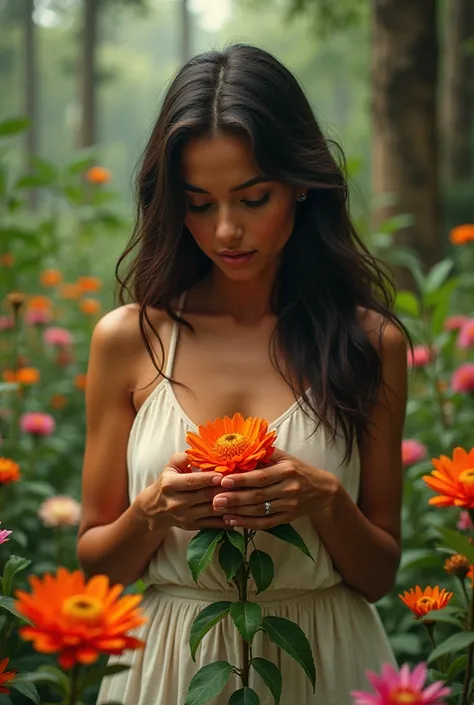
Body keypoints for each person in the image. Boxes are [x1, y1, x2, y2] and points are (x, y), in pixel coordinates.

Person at [77, 43, 408, 705]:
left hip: (326, 662)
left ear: (301, 182)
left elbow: (377, 574)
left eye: (253, 198)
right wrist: (153, 509)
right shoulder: (130, 338)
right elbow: (95, 562)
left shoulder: (370, 343)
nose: (227, 230)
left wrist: (323, 498)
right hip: (168, 664)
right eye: (199, 204)